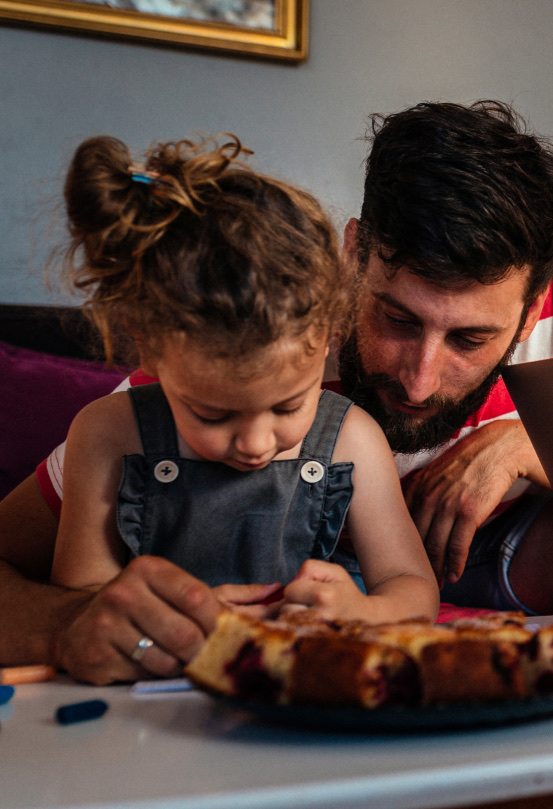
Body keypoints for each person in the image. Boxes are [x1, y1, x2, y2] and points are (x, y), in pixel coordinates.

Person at [0, 100, 553, 684]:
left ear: (533, 308)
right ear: (354, 256)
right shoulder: (239, 349)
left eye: (469, 339)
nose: (420, 379)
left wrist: (532, 444)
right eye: (397, 319)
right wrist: (76, 625)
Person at [48, 134, 437, 630]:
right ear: (150, 349)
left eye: (288, 406)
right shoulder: (107, 434)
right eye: (212, 414)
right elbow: (81, 604)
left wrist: (363, 610)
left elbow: (413, 589)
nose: (255, 444)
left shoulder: (352, 440)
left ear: (329, 339)